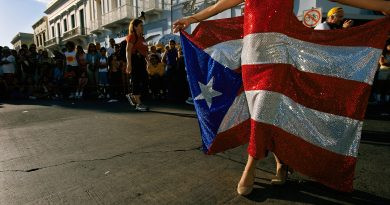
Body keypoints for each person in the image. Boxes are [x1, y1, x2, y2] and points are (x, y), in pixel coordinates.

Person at [173, 0, 390, 196]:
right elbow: (218, 6)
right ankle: (282, 162)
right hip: (251, 57)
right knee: (268, 112)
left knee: (261, 112)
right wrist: (191, 19)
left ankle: (250, 167)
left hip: (277, 56)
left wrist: (381, 4)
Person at [126, 19, 149, 112]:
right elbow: (128, 51)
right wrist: (129, 64)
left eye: (142, 25)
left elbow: (145, 52)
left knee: (145, 81)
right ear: (135, 27)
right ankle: (138, 104)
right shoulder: (132, 37)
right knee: (136, 81)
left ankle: (133, 96)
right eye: (140, 25)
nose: (142, 27)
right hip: (135, 60)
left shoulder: (142, 38)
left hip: (142, 61)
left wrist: (148, 62)